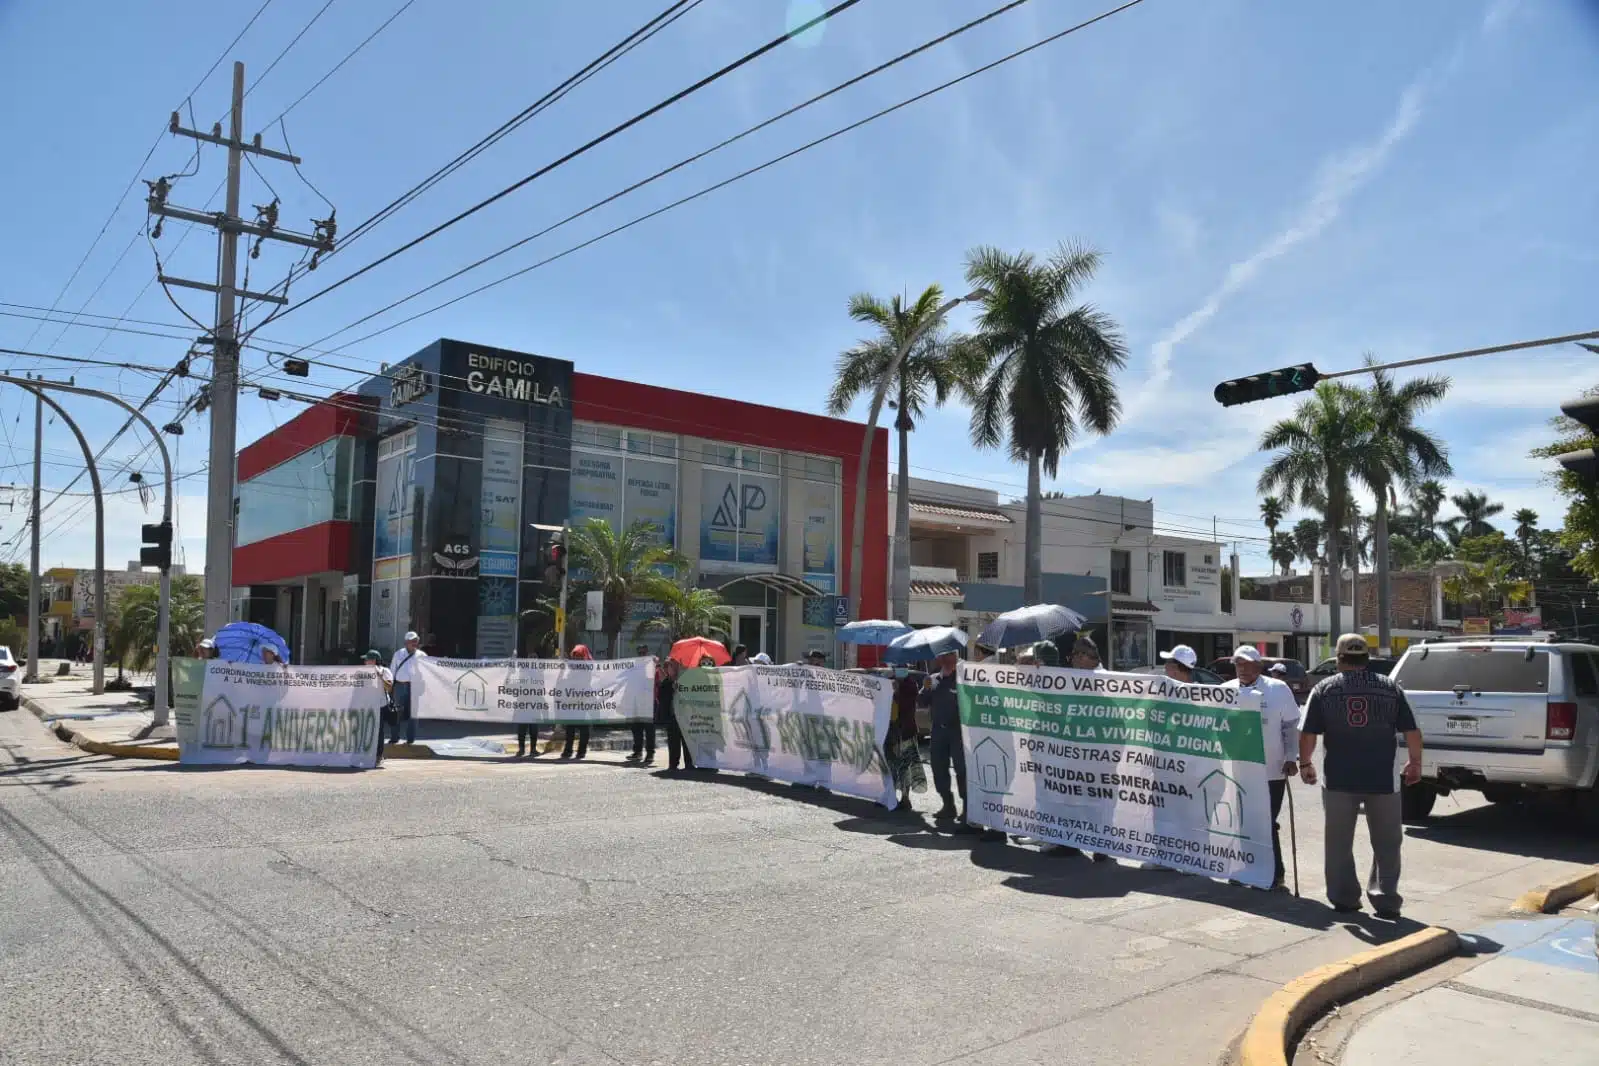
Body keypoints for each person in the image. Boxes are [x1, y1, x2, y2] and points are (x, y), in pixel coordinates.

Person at [1300, 633, 1423, 919]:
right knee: (1387, 843)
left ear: (1339, 660)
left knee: (1338, 843)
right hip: (1384, 779)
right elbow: (1412, 731)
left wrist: (1305, 763)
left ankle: (1344, 898)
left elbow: (1308, 733)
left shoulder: (1325, 689)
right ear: (1366, 659)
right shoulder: (1391, 688)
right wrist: (1415, 763)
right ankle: (1386, 899)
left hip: (1339, 780)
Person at [1221, 645, 1302, 891]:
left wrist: (1291, 756)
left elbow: (1290, 725)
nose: (1242, 668)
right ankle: (1247, 868)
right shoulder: (1225, 691)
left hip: (1271, 769)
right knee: (1243, 821)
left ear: (1259, 666)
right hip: (1237, 768)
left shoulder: (1278, 689)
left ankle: (1273, 873)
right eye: (1238, 664)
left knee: (1265, 821)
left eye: (1246, 664)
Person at [918, 650, 967, 825]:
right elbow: (922, 702)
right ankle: (948, 804)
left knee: (962, 770)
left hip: (959, 733)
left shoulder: (963, 677)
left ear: (956, 657)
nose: (946, 659)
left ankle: (967, 807)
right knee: (938, 769)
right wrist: (926, 689)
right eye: (943, 656)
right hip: (938, 731)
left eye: (950, 655)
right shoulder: (933, 679)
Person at [888, 673, 928, 809]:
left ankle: (905, 798)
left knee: (905, 765)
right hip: (891, 730)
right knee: (891, 764)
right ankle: (889, 794)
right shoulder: (889, 680)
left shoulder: (910, 684)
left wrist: (897, 691)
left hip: (906, 732)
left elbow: (908, 704)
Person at [389, 631, 427, 745]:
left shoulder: (422, 655)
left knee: (413, 714)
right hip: (400, 685)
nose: (414, 643)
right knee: (396, 712)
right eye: (411, 641)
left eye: (416, 641)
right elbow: (392, 670)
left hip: (415, 686)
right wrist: (390, 686)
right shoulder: (398, 654)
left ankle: (410, 739)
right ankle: (394, 737)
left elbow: (427, 673)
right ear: (406, 643)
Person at [659, 658, 695, 771]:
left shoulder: (685, 681)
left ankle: (689, 763)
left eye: (674, 666)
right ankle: (673, 763)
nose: (672, 669)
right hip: (672, 716)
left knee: (687, 741)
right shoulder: (666, 683)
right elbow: (661, 698)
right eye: (670, 667)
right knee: (673, 741)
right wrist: (671, 688)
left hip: (686, 716)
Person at [561, 644, 594, 760]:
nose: (576, 658)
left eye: (579, 656)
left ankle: (581, 752)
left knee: (584, 729)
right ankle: (568, 751)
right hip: (572, 701)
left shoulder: (588, 667)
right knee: (570, 728)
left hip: (583, 702)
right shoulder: (571, 667)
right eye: (574, 656)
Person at [363, 649, 394, 765]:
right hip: (366, 705)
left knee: (379, 731)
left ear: (373, 661)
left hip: (380, 705)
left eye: (367, 660)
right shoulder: (362, 672)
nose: (365, 662)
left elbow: (389, 688)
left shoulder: (385, 671)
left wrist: (380, 677)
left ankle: (378, 755)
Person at [629, 644, 656, 763]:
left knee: (649, 730)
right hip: (636, 702)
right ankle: (637, 752)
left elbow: (659, 680)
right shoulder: (633, 666)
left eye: (643, 653)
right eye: (639, 653)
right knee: (636, 729)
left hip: (649, 703)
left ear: (647, 652)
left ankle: (650, 754)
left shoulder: (653, 665)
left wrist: (655, 664)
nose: (641, 655)